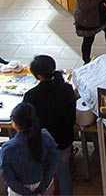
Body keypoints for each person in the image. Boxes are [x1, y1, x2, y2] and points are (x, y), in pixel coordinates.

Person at [23, 55, 76, 196]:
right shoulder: (67, 89)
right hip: (64, 140)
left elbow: (29, 122)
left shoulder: (30, 96)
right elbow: (72, 115)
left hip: (43, 143)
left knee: (43, 174)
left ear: (37, 75)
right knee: (63, 172)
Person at [0, 102, 59, 196]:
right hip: (44, 187)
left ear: (14, 124)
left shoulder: (7, 149)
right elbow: (53, 164)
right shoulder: (46, 137)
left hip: (19, 192)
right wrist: (41, 188)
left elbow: (9, 179)